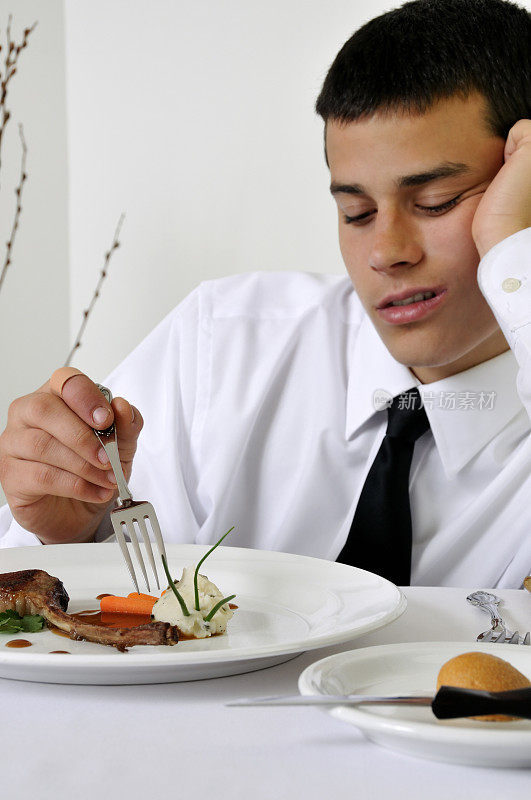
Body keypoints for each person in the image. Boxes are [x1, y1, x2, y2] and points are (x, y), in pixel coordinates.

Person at [0, 0, 530, 588]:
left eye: (436, 202)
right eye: (355, 213)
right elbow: (58, 599)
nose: (386, 251)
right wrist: (66, 537)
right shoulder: (223, 345)